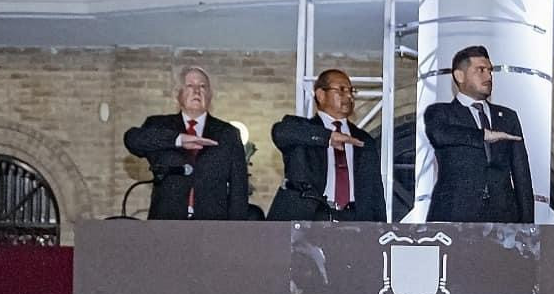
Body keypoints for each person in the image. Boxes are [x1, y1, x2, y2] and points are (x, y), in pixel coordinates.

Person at [422, 45, 534, 223]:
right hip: (454, 215)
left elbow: (522, 175)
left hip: (503, 218)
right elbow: (440, 135)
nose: (488, 76)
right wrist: (483, 135)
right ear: (459, 76)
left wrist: (528, 227)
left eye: (490, 71)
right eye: (480, 70)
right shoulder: (441, 112)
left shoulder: (508, 117)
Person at [123, 66, 250, 220]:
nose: (197, 91)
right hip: (167, 223)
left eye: (202, 86)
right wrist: (177, 139)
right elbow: (132, 140)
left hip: (212, 226)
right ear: (178, 94)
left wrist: (236, 232)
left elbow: (239, 189)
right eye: (190, 85)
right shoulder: (159, 125)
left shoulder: (228, 133)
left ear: (210, 95)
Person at [268, 69, 385, 222]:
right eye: (342, 90)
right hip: (308, 218)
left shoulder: (364, 140)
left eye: (351, 91)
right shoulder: (301, 128)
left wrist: (381, 232)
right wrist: (328, 137)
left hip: (354, 221)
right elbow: (280, 132)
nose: (349, 96)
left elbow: (375, 192)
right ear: (321, 95)